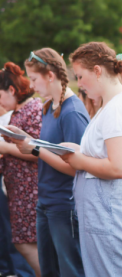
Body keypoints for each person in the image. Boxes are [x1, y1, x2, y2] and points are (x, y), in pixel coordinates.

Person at [60, 42, 122, 276]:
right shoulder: (111, 104)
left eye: (81, 76)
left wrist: (79, 161)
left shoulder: (116, 108)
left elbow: (118, 166)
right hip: (106, 209)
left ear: (98, 71)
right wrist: (77, 150)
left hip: (110, 211)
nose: (78, 84)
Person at [7, 48, 89, 277]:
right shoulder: (48, 107)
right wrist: (24, 137)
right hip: (46, 201)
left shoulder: (71, 112)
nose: (31, 86)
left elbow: (77, 168)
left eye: (34, 79)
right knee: (50, 269)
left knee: (71, 270)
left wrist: (34, 147)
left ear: (50, 75)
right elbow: (52, 149)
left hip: (64, 204)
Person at [0, 63, 43, 276]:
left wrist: (5, 147)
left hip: (30, 190)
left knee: (26, 243)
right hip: (19, 191)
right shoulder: (17, 111)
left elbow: (39, 152)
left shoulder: (33, 108)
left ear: (11, 90)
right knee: (23, 242)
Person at [0, 104, 34, 277]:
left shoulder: (27, 111)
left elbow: (35, 151)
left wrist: (5, 148)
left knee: (15, 235)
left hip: (20, 188)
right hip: (12, 184)